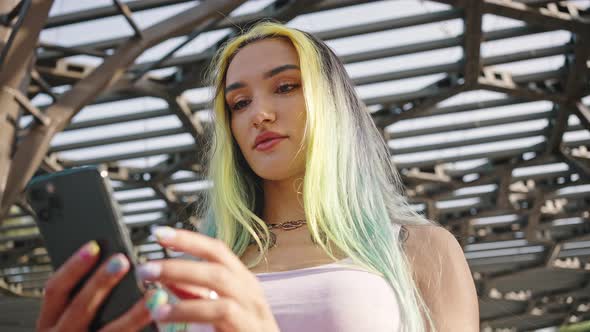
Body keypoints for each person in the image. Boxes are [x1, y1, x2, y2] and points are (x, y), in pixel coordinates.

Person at [35, 22, 479, 332]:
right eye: (239, 103)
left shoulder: (419, 249)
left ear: (334, 106)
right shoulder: (198, 268)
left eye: (285, 87)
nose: (259, 115)